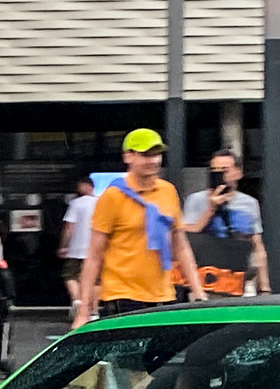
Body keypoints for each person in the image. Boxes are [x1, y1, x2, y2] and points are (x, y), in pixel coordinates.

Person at [76, 128, 201, 319]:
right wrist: (83, 312)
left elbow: (180, 245)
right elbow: (94, 255)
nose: (153, 160)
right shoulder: (112, 196)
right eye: (145, 154)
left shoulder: (167, 191)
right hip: (122, 295)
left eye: (157, 154)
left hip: (164, 294)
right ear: (128, 157)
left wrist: (198, 292)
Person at [182, 149, 270, 298]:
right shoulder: (196, 200)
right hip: (206, 277)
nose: (221, 175)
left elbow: (257, 245)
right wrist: (211, 209)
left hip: (238, 276)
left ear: (238, 172)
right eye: (215, 171)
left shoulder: (249, 204)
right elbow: (187, 235)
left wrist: (264, 287)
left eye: (225, 170)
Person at [59, 174, 97, 319]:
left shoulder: (76, 204)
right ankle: (94, 312)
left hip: (76, 248)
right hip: (96, 249)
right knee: (96, 280)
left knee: (70, 275)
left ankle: (78, 301)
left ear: (87, 186)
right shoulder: (102, 202)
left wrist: (63, 245)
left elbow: (69, 227)